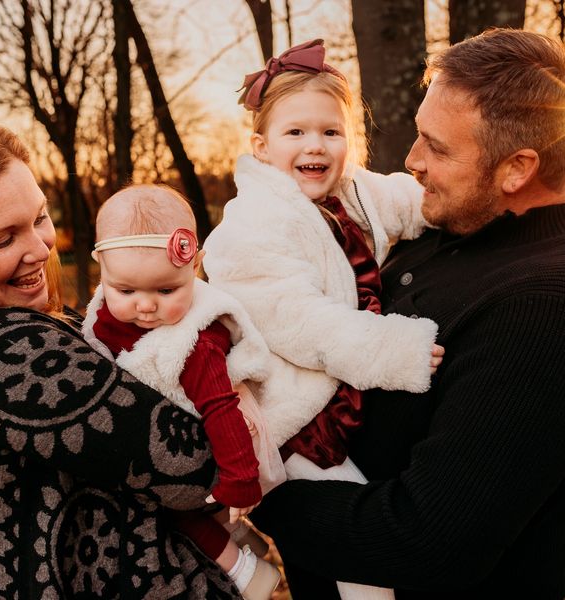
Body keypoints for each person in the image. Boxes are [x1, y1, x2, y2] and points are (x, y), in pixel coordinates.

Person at [244, 28, 565, 600]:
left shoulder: (540, 308)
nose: (411, 162)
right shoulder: (445, 227)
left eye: (437, 148)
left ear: (517, 168)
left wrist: (263, 489)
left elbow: (426, 540)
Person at [204, 39, 444, 600]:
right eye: (296, 133)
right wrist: (394, 349)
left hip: (347, 397)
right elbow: (304, 325)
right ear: (261, 147)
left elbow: (412, 202)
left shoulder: (353, 190)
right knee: (362, 556)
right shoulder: (249, 230)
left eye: (331, 132)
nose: (316, 145)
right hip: (299, 423)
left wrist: (448, 203)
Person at [0, 116, 243, 598]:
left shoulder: (46, 321)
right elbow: (192, 466)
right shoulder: (1, 354)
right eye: (2, 239)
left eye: (38, 218)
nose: (39, 247)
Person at [82, 184, 285, 600]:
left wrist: (241, 478)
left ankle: (247, 572)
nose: (145, 306)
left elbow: (220, 409)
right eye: (126, 291)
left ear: (194, 267)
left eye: (166, 290)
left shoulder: (195, 344)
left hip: (221, 443)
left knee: (168, 510)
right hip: (171, 434)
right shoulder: (107, 310)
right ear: (101, 268)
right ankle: (240, 538)